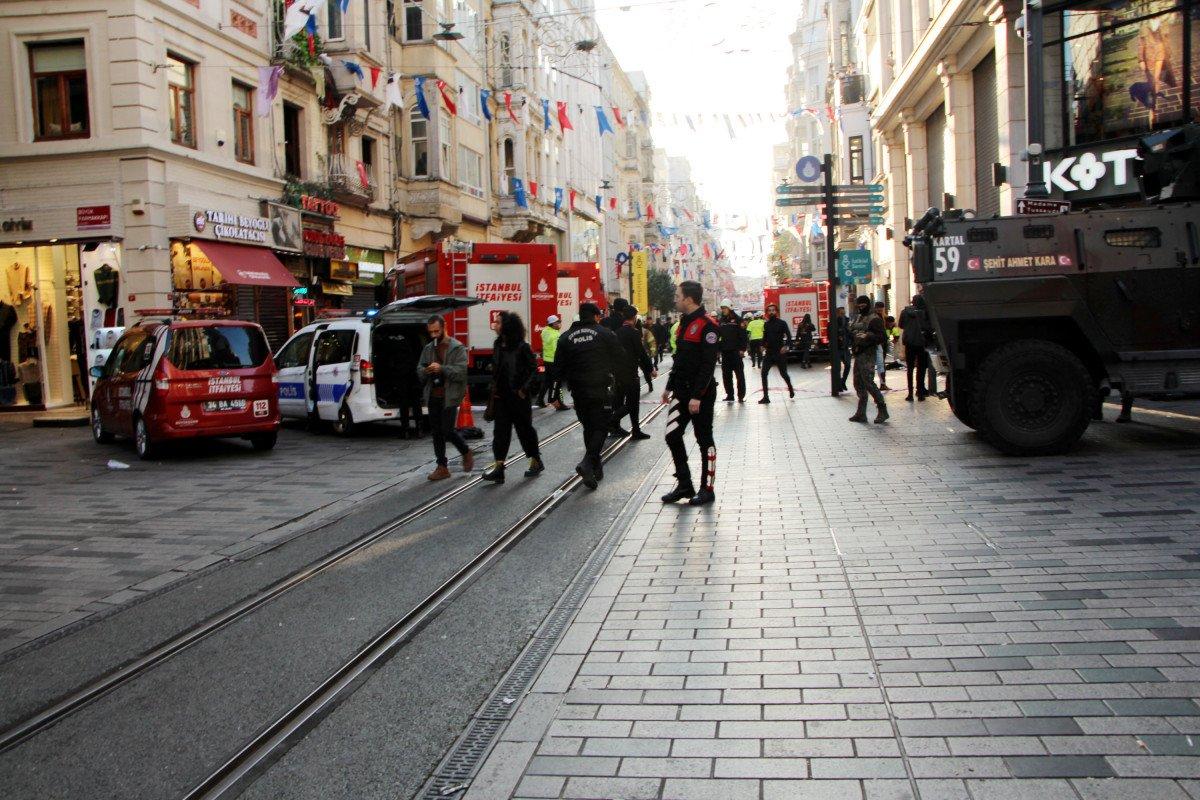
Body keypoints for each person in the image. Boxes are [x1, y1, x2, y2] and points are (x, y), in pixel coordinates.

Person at [661, 280, 720, 507]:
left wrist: (697, 395)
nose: (675, 299)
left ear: (689, 298)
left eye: (678, 295)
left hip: (700, 394)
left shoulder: (708, 325)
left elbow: (708, 364)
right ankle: (685, 484)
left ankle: (707, 488)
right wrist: (668, 386)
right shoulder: (683, 324)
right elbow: (680, 361)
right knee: (672, 435)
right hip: (680, 391)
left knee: (704, 439)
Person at [555, 302, 621, 489]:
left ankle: (594, 467)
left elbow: (558, 369)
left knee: (588, 427)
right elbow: (619, 358)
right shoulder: (605, 334)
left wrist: (555, 393)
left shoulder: (565, 338)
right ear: (596, 316)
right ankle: (587, 463)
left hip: (578, 391)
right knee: (601, 426)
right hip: (600, 388)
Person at [481, 312, 543, 483]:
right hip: (501, 397)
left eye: (498, 322)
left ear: (507, 325)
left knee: (525, 430)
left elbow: (533, 370)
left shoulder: (522, 346)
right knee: (500, 432)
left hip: (519, 397)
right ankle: (499, 468)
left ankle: (536, 460)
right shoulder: (498, 344)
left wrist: (524, 389)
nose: (495, 325)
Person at [417, 315, 474, 481]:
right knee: (436, 432)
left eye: (437, 331)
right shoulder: (428, 348)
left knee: (447, 430)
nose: (434, 335)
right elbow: (419, 368)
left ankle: (465, 451)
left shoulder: (456, 347)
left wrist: (441, 368)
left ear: (444, 327)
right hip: (433, 395)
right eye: (431, 332)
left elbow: (461, 372)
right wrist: (426, 370)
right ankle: (442, 466)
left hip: (450, 396)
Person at [611, 307, 657, 439]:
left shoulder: (616, 332)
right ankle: (616, 422)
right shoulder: (634, 333)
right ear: (635, 318)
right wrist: (650, 369)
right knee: (633, 403)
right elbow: (641, 353)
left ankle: (616, 427)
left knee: (619, 400)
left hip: (617, 373)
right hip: (630, 373)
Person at [849, 295, 889, 424]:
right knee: (858, 383)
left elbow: (882, 337)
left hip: (868, 353)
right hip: (858, 353)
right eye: (859, 306)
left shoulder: (874, 319)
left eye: (863, 306)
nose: (860, 308)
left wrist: (868, 336)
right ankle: (861, 413)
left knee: (869, 383)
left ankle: (882, 410)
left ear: (867, 304)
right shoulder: (859, 317)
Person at [758, 304, 795, 404]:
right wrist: (762, 345)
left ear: (776, 312)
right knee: (763, 373)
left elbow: (789, 336)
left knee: (783, 374)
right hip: (769, 353)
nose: (771, 312)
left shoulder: (782, 323)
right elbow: (764, 337)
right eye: (769, 310)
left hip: (779, 352)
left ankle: (790, 388)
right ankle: (766, 397)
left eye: (773, 310)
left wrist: (786, 346)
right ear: (767, 312)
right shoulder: (766, 324)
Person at [899, 296, 930, 402]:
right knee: (921, 369)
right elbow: (929, 326)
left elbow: (901, 325)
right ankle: (920, 393)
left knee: (910, 369)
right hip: (922, 343)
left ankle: (910, 394)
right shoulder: (925, 312)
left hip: (909, 343)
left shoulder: (905, 312)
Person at [717, 300, 748, 402]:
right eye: (722, 308)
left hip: (736, 352)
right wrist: (718, 349)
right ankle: (730, 395)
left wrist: (742, 349)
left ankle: (741, 395)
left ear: (730, 308)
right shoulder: (721, 321)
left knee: (739, 375)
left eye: (724, 308)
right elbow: (718, 336)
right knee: (726, 375)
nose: (723, 310)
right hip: (725, 352)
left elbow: (743, 336)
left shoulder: (739, 320)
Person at [536, 314, 568, 410]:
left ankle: (540, 399)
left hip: (547, 360)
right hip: (554, 361)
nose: (559, 324)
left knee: (547, 381)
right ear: (553, 324)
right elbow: (556, 350)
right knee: (556, 382)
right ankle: (554, 400)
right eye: (558, 322)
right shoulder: (555, 335)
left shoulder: (545, 331)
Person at [828, 306, 852, 392]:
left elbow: (850, 333)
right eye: (841, 313)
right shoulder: (832, 323)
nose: (843, 315)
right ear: (837, 314)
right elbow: (829, 336)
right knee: (837, 368)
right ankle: (838, 384)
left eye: (844, 313)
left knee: (848, 365)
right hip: (836, 348)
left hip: (845, 348)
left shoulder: (846, 322)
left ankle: (843, 382)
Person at [873, 301, 890, 391]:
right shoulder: (874, 317)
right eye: (878, 307)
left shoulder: (885, 317)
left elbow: (889, 328)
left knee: (881, 364)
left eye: (881, 308)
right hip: (876, 344)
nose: (880, 309)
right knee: (878, 364)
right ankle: (875, 384)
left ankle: (883, 384)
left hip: (883, 343)